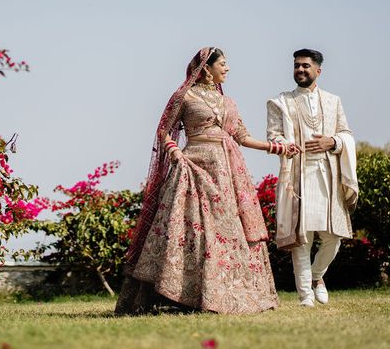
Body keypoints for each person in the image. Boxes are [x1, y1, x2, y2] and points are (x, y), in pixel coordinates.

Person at [115, 47, 299, 315]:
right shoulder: (184, 96)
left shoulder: (228, 102)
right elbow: (164, 130)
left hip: (226, 171)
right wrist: (175, 152)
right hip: (192, 167)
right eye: (222, 64)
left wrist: (277, 148)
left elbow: (243, 137)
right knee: (191, 229)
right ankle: (181, 296)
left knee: (228, 229)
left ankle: (228, 293)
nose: (227, 69)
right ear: (206, 68)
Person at [266, 49, 358, 307]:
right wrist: (286, 145)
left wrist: (334, 142)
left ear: (318, 70)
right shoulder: (280, 102)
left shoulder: (333, 101)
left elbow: (346, 134)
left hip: (328, 174)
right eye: (297, 66)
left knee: (333, 237)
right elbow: (274, 136)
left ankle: (317, 277)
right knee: (302, 238)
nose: (300, 70)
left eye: (306, 66)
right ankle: (305, 295)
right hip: (297, 176)